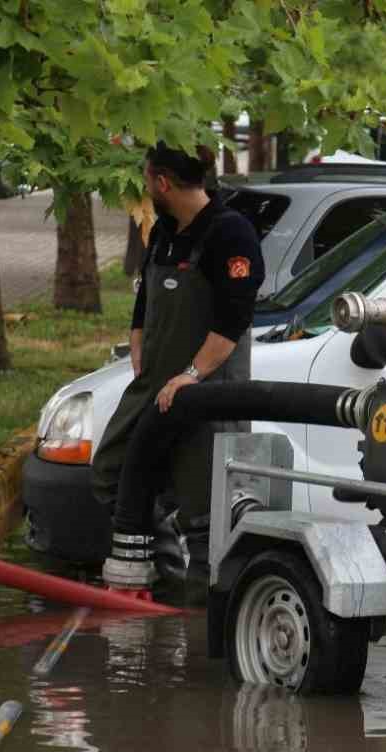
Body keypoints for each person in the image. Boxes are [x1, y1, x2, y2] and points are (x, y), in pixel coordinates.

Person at [95, 143, 263, 591]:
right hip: (153, 384)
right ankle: (159, 568)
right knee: (111, 472)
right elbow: (145, 300)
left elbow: (232, 323)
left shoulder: (231, 234)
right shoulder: (164, 231)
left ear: (162, 182)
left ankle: (199, 609)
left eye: (148, 179)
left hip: (205, 391)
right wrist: (137, 345)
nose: (146, 187)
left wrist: (191, 375)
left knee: (205, 509)